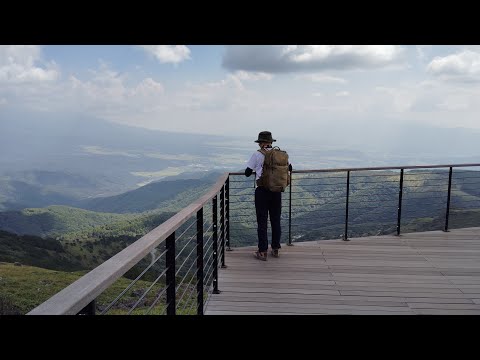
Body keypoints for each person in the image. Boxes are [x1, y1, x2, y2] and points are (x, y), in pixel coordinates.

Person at [244, 131, 291, 261]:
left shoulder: (257, 154)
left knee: (262, 221)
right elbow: (290, 167)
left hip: (262, 191)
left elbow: (247, 172)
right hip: (277, 191)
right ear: (271, 143)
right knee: (276, 220)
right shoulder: (280, 155)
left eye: (260, 142)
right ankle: (275, 249)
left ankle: (263, 251)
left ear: (261, 143)